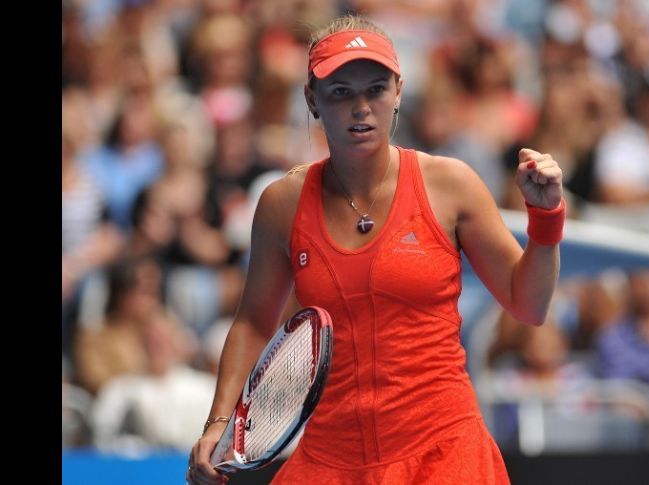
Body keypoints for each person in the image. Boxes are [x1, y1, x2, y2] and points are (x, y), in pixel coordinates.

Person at [187, 14, 566, 485]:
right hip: (329, 460)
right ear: (312, 99)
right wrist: (219, 423)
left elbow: (529, 305)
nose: (361, 107)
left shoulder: (451, 184)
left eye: (376, 89)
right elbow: (252, 322)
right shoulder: (281, 205)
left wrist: (546, 218)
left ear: (399, 92)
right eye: (340, 92)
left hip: (445, 454)